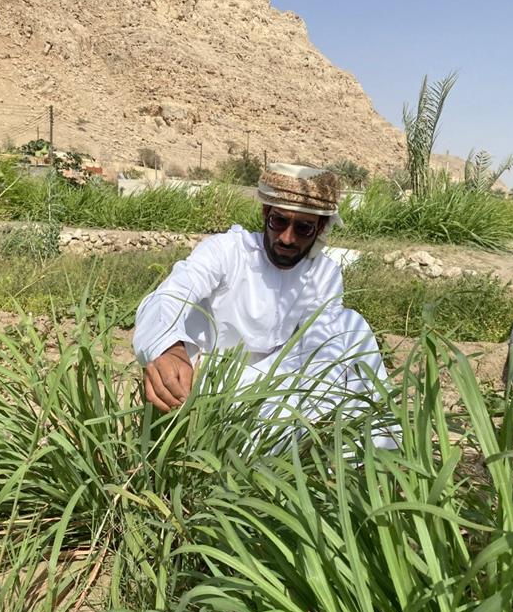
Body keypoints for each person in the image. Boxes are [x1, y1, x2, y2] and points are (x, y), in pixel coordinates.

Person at [133, 163, 392, 442]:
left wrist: (320, 415)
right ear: (265, 213)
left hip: (275, 385)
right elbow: (171, 295)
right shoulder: (227, 251)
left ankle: (370, 453)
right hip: (207, 382)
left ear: (320, 228)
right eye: (279, 221)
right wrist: (170, 350)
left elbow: (322, 356)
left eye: (303, 228)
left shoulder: (323, 274)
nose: (287, 238)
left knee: (352, 326)